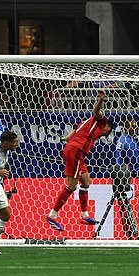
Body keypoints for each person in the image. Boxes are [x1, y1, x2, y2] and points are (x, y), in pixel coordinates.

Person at [46, 90, 113, 231]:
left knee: (85, 181)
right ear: (107, 126)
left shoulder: (84, 123)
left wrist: (66, 140)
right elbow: (97, 111)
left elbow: (70, 136)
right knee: (71, 186)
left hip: (75, 152)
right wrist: (100, 100)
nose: (106, 133)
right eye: (108, 130)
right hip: (76, 151)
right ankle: (52, 216)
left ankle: (84, 215)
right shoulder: (101, 121)